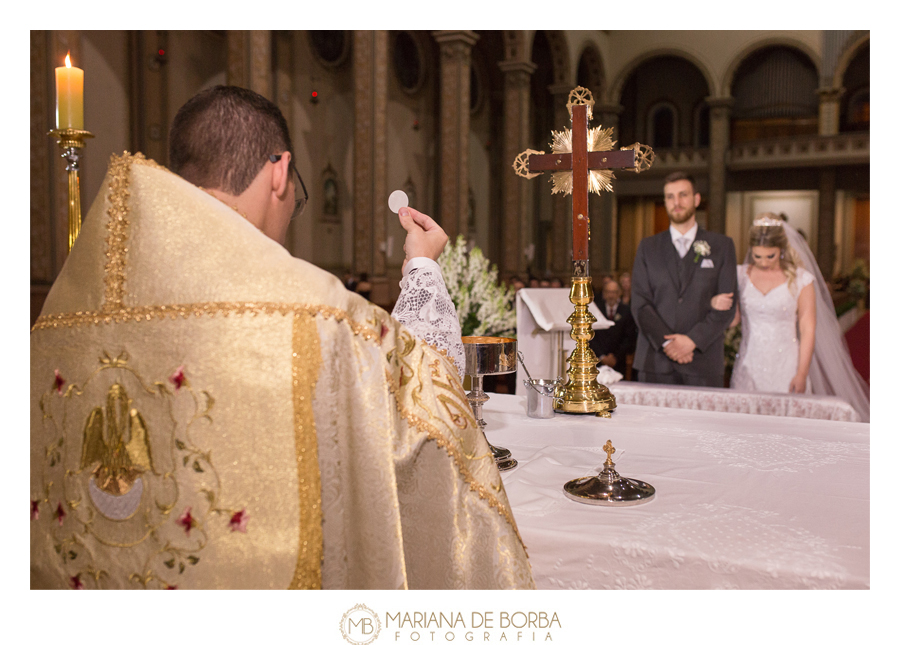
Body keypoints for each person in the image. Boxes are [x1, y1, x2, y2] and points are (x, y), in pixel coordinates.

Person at [30, 85, 533, 590]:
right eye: (297, 193)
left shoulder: (62, 316)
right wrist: (422, 266)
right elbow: (427, 412)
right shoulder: (317, 310)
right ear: (279, 171)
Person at [712, 213, 870, 421]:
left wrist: (802, 373)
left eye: (771, 256)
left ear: (782, 249)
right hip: (749, 365)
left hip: (787, 366)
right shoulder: (740, 275)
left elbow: (807, 328)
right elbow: (733, 320)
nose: (764, 262)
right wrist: (716, 304)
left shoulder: (801, 279)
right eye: (757, 256)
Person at [630, 172, 737, 387]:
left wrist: (692, 341)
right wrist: (667, 343)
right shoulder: (648, 247)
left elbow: (728, 305)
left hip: (702, 362)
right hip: (655, 360)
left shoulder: (721, 246)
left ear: (696, 199)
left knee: (703, 422)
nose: (676, 202)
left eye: (683, 195)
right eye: (670, 197)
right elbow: (640, 304)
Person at [589, 279, 637, 377]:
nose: (611, 295)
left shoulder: (626, 311)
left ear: (619, 293)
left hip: (619, 362)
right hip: (597, 362)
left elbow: (629, 337)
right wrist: (602, 356)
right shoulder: (595, 310)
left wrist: (615, 357)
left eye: (614, 292)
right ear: (604, 293)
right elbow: (591, 335)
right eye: (608, 292)